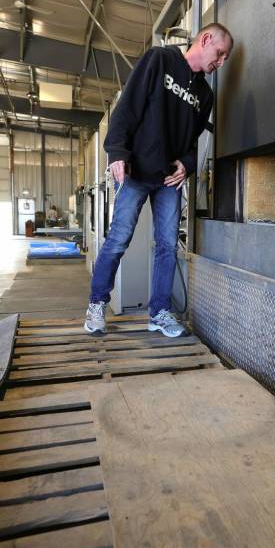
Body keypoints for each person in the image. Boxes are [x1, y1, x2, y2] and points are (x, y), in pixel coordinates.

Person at [84, 22, 233, 337]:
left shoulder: (204, 95)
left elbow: (192, 142)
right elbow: (128, 106)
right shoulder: (160, 60)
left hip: (168, 180)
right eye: (220, 54)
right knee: (118, 239)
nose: (220, 63)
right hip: (137, 170)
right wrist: (116, 152)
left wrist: (188, 165)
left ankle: (160, 313)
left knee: (167, 246)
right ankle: (97, 304)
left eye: (224, 59)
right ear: (205, 39)